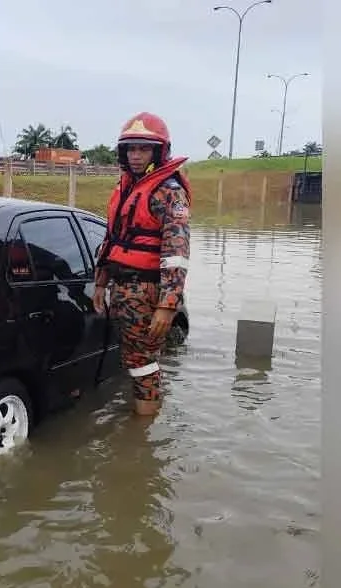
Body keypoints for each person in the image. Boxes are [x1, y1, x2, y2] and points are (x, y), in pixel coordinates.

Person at [93, 112, 192, 417]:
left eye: (143, 149)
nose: (135, 156)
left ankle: (144, 434)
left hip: (145, 288)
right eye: (131, 149)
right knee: (134, 358)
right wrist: (101, 281)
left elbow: (177, 251)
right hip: (121, 284)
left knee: (141, 360)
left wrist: (167, 305)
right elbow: (114, 239)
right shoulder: (126, 187)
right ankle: (144, 419)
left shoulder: (169, 191)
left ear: (158, 151)